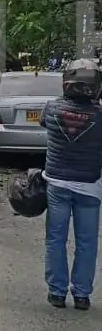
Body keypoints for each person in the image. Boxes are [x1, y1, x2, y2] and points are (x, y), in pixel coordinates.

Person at [41, 58, 102, 310]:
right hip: (89, 185)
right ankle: (82, 295)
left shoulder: (52, 109)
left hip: (57, 182)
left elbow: (44, 124)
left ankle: (57, 292)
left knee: (55, 238)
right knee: (87, 242)